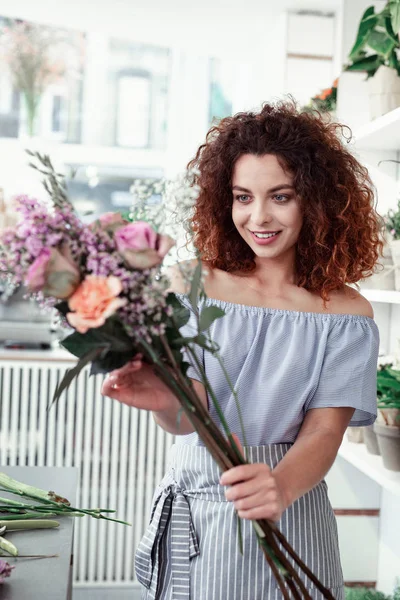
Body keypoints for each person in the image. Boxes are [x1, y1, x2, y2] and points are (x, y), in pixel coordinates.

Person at [102, 100, 382, 600]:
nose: (258, 217)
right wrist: (166, 400)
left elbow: (324, 430)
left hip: (293, 510)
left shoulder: (347, 313)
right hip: (201, 515)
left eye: (280, 196)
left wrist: (279, 488)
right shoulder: (189, 284)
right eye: (242, 196)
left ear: (316, 201)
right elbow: (190, 416)